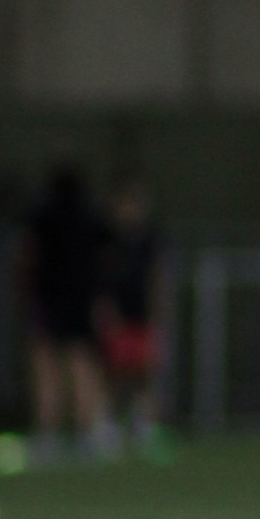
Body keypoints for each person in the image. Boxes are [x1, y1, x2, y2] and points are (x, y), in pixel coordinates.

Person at [22, 165, 111, 457]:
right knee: (80, 365)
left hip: (49, 299)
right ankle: (85, 434)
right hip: (80, 300)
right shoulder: (91, 217)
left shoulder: (42, 216)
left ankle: (48, 435)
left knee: (47, 366)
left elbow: (28, 254)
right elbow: (105, 258)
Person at [93, 184, 165, 448]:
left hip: (142, 317)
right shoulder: (107, 240)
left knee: (144, 372)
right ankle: (107, 426)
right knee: (114, 373)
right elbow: (101, 282)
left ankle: (144, 425)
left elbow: (157, 278)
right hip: (118, 318)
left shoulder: (149, 240)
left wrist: (158, 312)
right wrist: (103, 309)